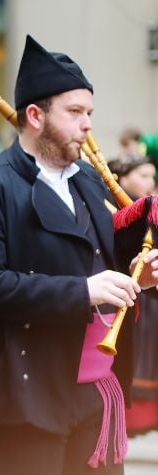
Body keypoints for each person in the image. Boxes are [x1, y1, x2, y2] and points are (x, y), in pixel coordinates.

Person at [0, 35, 158, 475]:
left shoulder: (87, 182)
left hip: (93, 392)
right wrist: (83, 291)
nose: (87, 126)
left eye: (90, 114)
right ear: (35, 116)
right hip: (19, 394)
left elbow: (101, 263)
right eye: (75, 113)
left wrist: (138, 276)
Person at [108, 155, 158, 437]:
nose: (149, 183)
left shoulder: (152, 208)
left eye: (152, 176)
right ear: (122, 178)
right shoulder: (113, 210)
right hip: (118, 295)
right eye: (142, 175)